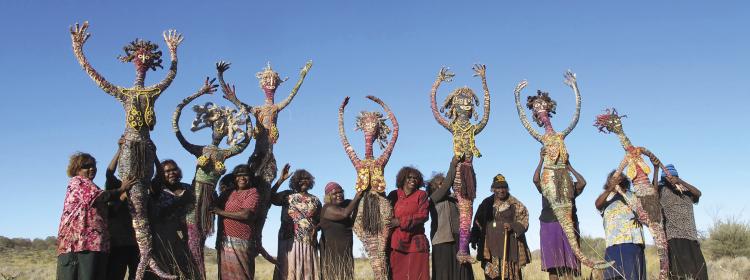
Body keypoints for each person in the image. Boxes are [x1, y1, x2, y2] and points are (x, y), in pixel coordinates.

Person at [56, 152, 133, 280]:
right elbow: (100, 196)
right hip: (79, 245)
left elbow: (107, 211)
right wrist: (121, 189)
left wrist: (122, 197)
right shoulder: (78, 182)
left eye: (93, 165)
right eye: (86, 166)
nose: (92, 168)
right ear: (76, 169)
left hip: (96, 245)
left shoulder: (93, 187)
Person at [532, 148, 585, 279]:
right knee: (553, 267)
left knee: (569, 265)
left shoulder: (570, 187)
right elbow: (535, 180)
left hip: (568, 224)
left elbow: (583, 183)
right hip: (549, 225)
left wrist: (569, 166)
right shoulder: (546, 186)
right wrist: (541, 160)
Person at [471, 174, 531, 280]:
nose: (501, 190)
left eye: (503, 187)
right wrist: (474, 237)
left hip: (509, 249)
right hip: (490, 250)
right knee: (491, 277)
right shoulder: (486, 203)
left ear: (507, 188)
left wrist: (512, 226)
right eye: (498, 187)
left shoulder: (515, 203)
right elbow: (477, 221)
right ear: (493, 189)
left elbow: (524, 219)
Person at [147, 159, 197, 279]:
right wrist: (180, 202)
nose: (172, 173)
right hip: (165, 239)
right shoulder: (159, 191)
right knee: (169, 270)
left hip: (189, 237)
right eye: (167, 171)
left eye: (174, 169)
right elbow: (159, 214)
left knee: (189, 270)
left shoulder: (187, 188)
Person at [427, 157, 474, 280]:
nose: (443, 185)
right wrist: (452, 165)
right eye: (439, 184)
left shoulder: (455, 199)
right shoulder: (433, 199)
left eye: (444, 182)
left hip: (459, 240)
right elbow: (447, 184)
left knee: (462, 273)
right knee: (445, 274)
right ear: (433, 187)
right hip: (442, 241)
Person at [658, 164, 708, 280]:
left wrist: (679, 181)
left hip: (691, 236)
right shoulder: (661, 190)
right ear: (663, 180)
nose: (670, 180)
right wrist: (656, 169)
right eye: (667, 178)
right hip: (673, 237)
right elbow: (653, 190)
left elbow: (698, 193)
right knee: (679, 273)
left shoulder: (686, 191)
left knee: (699, 272)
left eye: (673, 177)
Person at [595, 171, 646, 280]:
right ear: (609, 181)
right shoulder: (607, 197)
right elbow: (597, 205)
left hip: (633, 242)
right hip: (614, 244)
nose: (617, 179)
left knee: (633, 276)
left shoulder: (633, 195)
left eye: (620, 177)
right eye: (614, 178)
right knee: (613, 276)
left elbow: (647, 209)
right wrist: (610, 188)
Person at [213, 165, 261, 280]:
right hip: (224, 240)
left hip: (241, 241)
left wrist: (220, 212)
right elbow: (213, 205)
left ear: (250, 178)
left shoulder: (252, 192)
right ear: (234, 178)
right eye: (238, 175)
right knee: (225, 275)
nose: (242, 178)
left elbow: (246, 214)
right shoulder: (228, 193)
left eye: (245, 175)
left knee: (242, 274)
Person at [273, 169, 322, 280]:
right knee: (288, 270)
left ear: (310, 182)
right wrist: (280, 180)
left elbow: (321, 220)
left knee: (306, 271)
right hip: (289, 240)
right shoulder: (288, 195)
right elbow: (271, 197)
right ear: (295, 182)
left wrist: (316, 227)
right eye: (300, 179)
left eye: (306, 179)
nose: (303, 181)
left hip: (307, 240)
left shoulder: (315, 200)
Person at [387, 166, 430, 280]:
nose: (412, 180)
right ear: (403, 178)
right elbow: (385, 214)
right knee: (397, 276)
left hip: (416, 243)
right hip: (397, 243)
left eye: (416, 178)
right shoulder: (393, 195)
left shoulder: (421, 195)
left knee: (418, 276)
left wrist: (400, 221)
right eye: (409, 177)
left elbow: (423, 215)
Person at [104, 143, 139, 280]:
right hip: (117, 242)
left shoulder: (140, 189)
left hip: (135, 242)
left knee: (136, 275)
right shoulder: (115, 185)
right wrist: (119, 149)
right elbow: (109, 172)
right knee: (115, 275)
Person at [319, 182, 364, 280]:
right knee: (333, 275)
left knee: (346, 275)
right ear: (328, 196)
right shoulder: (327, 208)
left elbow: (359, 204)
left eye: (341, 192)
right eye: (334, 193)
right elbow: (344, 214)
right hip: (332, 253)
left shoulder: (346, 204)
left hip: (346, 252)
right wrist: (357, 196)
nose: (339, 194)